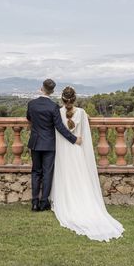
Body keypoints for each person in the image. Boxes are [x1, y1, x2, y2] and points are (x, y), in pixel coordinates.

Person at [50, 86, 124, 242]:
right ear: (74, 99)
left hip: (63, 152)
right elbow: (84, 134)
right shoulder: (82, 113)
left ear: (62, 99)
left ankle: (66, 200)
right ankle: (82, 200)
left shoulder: (57, 112)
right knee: (79, 178)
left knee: (66, 177)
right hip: (77, 150)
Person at [26, 78, 82, 212]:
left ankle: (34, 202)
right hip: (49, 144)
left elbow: (29, 118)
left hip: (35, 142)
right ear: (51, 91)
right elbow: (60, 127)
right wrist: (74, 139)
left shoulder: (31, 104)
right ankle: (44, 202)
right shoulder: (53, 107)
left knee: (35, 172)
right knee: (47, 173)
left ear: (41, 88)